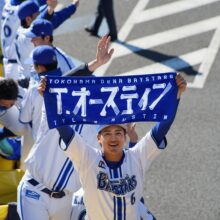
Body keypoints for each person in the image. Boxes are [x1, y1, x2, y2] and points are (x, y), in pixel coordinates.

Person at [38, 73, 186, 219]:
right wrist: (48, 96)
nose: (113, 138)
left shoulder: (137, 156)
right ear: (98, 138)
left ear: (125, 136)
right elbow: (65, 130)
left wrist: (176, 96)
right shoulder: (88, 159)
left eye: (118, 133)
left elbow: (162, 127)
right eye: (107, 133)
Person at [17, 35, 114, 220]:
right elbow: (60, 84)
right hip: (34, 192)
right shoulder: (52, 105)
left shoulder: (97, 130)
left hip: (65, 200)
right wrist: (94, 64)